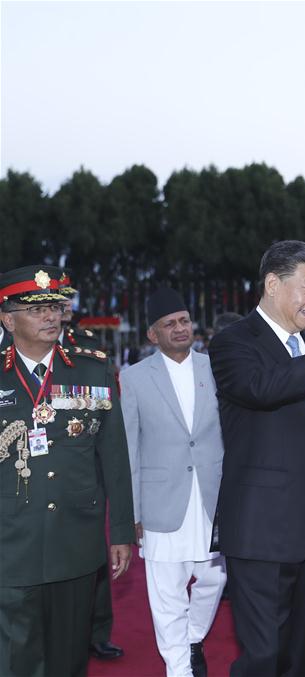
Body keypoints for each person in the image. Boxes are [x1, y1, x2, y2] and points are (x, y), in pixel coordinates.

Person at [208, 240, 305, 676]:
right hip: (264, 528)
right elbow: (263, 389)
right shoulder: (232, 343)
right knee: (264, 654)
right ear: (273, 284)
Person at [0, 265, 134, 677]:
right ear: (8, 318)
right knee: (15, 658)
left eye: (55, 308)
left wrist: (123, 532)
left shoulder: (92, 369)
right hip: (10, 542)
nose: (51, 317)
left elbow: (114, 456)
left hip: (76, 541)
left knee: (69, 658)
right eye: (36, 310)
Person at [119, 287, 227, 677]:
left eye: (184, 321)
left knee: (215, 577)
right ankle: (179, 669)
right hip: (161, 501)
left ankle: (193, 637)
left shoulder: (216, 367)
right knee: (166, 595)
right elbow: (129, 447)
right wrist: (132, 511)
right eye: (170, 324)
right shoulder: (133, 378)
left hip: (212, 498)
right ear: (153, 334)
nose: (180, 328)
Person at [56, 269, 123, 661]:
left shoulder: (88, 346)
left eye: (67, 298)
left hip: (86, 461)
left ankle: (97, 629)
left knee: (92, 550)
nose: (63, 305)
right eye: (56, 298)